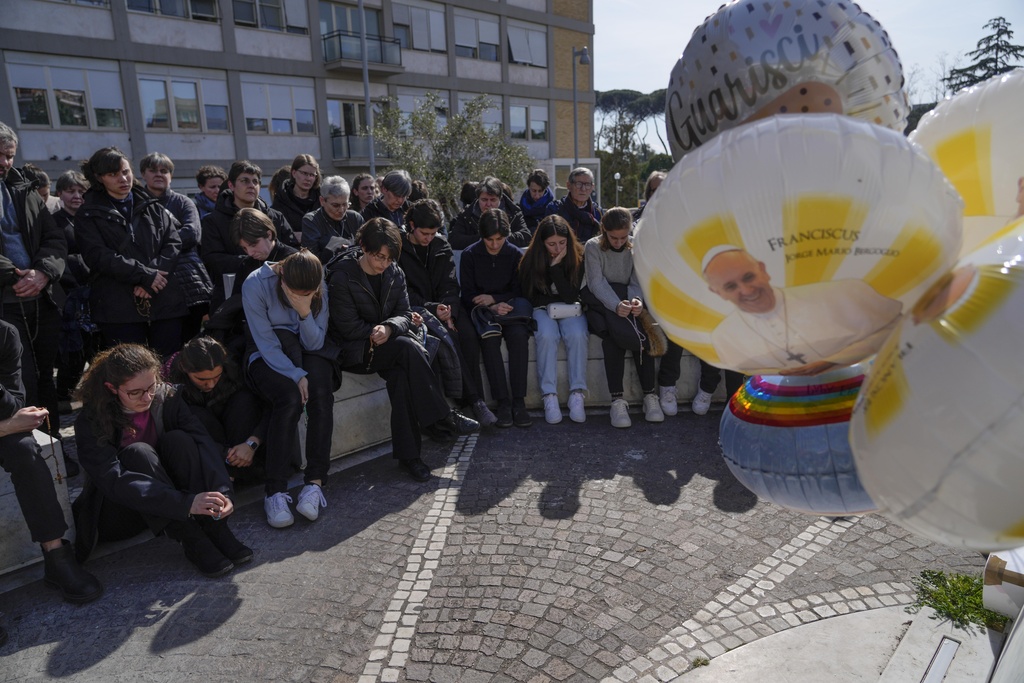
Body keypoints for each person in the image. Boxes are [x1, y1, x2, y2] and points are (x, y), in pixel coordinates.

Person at [74, 343, 251, 577]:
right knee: (139, 452)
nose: (147, 397)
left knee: (180, 440)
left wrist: (222, 491)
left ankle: (214, 526)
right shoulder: (92, 419)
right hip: (125, 508)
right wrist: (185, 503)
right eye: (135, 392)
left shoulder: (166, 396)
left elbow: (202, 442)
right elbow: (112, 478)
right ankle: (191, 538)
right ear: (112, 388)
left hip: (172, 495)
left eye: (151, 386)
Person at [326, 218, 479, 482]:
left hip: (390, 345)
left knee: (402, 376)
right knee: (407, 348)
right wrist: (383, 331)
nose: (383, 264)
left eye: (389, 258)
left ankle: (411, 458)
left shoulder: (394, 272)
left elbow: (405, 313)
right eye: (379, 257)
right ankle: (443, 415)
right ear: (364, 247)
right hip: (355, 350)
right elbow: (348, 328)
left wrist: (389, 327)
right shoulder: (342, 276)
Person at [0, 319, 102, 641]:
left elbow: (12, 404)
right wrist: (5, 427)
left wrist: (7, 425)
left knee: (25, 451)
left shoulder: (4, 334)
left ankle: (56, 556)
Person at [241, 249, 336, 528]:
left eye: (309, 293)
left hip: (307, 348)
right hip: (267, 352)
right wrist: (295, 374)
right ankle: (275, 491)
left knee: (321, 392)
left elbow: (315, 343)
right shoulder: (256, 283)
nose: (302, 296)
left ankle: (315, 483)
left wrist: (304, 311)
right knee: (289, 397)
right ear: (281, 275)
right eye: (296, 293)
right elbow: (265, 342)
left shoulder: (318, 281)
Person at [702, 245, 903, 374]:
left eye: (749, 277)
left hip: (863, 382)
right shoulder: (724, 337)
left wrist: (833, 360)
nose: (747, 290)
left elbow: (897, 327)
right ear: (718, 292)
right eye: (731, 287)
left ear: (762, 270)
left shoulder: (844, 292)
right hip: (786, 402)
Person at [75, 147, 188, 358]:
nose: (123, 179)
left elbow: (173, 242)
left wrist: (152, 278)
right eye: (113, 174)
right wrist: (144, 275)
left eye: (126, 171)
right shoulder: (88, 213)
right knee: (130, 368)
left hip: (163, 300)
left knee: (168, 365)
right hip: (118, 307)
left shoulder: (152, 205)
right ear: (99, 178)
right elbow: (97, 256)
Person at [397, 199, 495, 426]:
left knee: (468, 335)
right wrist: (434, 309)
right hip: (418, 311)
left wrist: (449, 311)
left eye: (433, 233)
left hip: (447, 308)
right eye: (424, 233)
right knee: (447, 337)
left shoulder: (441, 244)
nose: (428, 238)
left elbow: (450, 284)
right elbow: (404, 290)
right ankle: (474, 400)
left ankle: (474, 400)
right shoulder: (399, 248)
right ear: (412, 225)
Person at [0, 122, 67, 442]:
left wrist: (43, 273)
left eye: (9, 155)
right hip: (6, 306)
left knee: (44, 378)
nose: (4, 162)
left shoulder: (24, 189)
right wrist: (15, 274)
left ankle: (53, 447)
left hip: (41, 300)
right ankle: (28, 450)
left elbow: (55, 239)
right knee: (20, 381)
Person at [583, 207, 663, 427]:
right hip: (601, 303)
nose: (618, 242)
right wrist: (615, 305)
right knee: (613, 338)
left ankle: (649, 395)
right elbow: (596, 282)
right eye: (613, 237)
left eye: (623, 237)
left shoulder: (636, 246)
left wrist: (636, 300)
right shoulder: (592, 246)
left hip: (626, 300)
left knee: (641, 332)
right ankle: (617, 400)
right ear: (604, 230)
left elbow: (637, 280)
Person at [459, 209, 533, 428]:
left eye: (499, 239)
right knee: (489, 340)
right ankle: (502, 402)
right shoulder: (470, 255)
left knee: (519, 337)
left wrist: (496, 299)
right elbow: (467, 294)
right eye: (489, 239)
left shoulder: (515, 254)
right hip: (483, 313)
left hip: (511, 310)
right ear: (482, 236)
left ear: (506, 236)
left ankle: (519, 401)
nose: (494, 244)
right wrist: (490, 306)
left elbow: (521, 290)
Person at [167, 336, 266, 483]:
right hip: (210, 449)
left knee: (244, 400)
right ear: (184, 368)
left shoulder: (234, 371)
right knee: (196, 416)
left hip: (244, 445)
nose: (211, 385)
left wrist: (252, 443)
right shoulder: (171, 386)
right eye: (202, 379)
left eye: (216, 377)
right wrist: (225, 454)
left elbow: (269, 409)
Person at [201, 160, 297, 312]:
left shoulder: (275, 217)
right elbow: (212, 259)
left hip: (278, 295)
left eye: (255, 181)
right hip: (231, 295)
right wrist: (251, 261)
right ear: (231, 185)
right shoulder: (213, 221)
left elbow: (292, 250)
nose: (251, 185)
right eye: (245, 181)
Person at [519, 215, 588, 424]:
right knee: (547, 335)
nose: (557, 248)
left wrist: (555, 268)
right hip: (541, 309)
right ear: (542, 242)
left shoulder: (578, 256)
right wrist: (551, 300)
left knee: (578, 334)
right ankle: (549, 395)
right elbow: (530, 295)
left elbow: (570, 296)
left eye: (562, 243)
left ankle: (577, 393)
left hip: (569, 308)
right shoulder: (531, 259)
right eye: (551, 244)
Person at [138, 152, 213, 344]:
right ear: (143, 174)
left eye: (164, 171)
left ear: (171, 175)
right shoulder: (136, 205)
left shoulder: (183, 202)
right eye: (153, 170)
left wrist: (157, 243)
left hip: (189, 285)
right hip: (154, 283)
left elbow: (192, 234)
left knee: (190, 345)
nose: (159, 174)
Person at [51, 171, 96, 408]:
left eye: (81, 191)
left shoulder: (91, 218)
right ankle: (63, 397)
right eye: (71, 191)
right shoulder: (53, 222)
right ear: (59, 193)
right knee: (73, 352)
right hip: (69, 296)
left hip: (95, 293)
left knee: (96, 347)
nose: (77, 196)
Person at [448, 176, 532, 250]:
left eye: (493, 200)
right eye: (484, 200)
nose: (488, 204)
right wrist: (484, 238)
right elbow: (454, 240)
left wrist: (501, 238)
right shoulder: (467, 215)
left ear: (500, 199)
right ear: (478, 198)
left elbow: (526, 237)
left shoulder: (513, 213)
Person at [231, 208, 298, 296]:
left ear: (269, 235)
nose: (250, 253)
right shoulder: (246, 265)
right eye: (244, 248)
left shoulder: (294, 260)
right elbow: (237, 300)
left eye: (253, 245)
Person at [301, 175, 362, 264]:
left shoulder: (355, 218)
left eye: (345, 204)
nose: (341, 210)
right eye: (335, 205)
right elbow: (311, 261)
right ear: (322, 201)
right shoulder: (311, 220)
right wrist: (331, 248)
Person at [272, 154, 321, 242]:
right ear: (294, 173)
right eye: (304, 173)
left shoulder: (322, 200)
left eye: (312, 175)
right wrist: (292, 236)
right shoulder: (281, 200)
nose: (308, 178)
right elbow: (275, 234)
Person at [547, 167, 603, 243]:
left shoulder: (597, 212)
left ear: (592, 187)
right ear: (568, 185)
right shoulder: (555, 209)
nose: (583, 189)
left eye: (587, 184)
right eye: (579, 184)